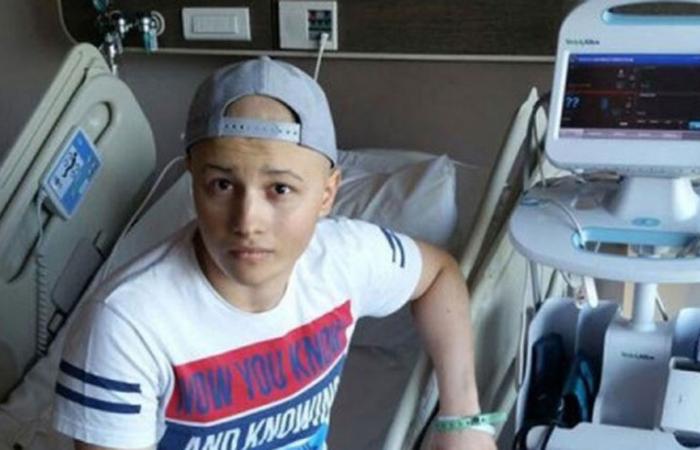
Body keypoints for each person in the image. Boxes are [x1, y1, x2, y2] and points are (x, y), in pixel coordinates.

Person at [52, 56, 498, 450]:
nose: (248, 221)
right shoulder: (126, 327)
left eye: (280, 189)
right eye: (222, 185)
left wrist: (462, 418)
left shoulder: (343, 258)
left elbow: (439, 275)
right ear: (193, 180)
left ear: (327, 195)